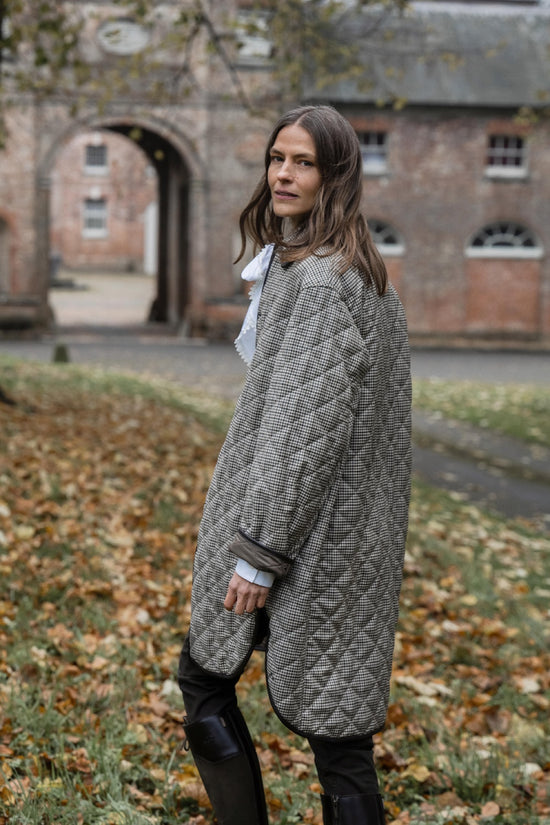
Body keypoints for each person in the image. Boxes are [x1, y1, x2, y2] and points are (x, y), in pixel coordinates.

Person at [178, 104, 412, 825]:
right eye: (277, 158)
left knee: (237, 693)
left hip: (310, 535)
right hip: (341, 531)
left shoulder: (321, 283)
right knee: (336, 729)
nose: (283, 174)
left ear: (335, 175)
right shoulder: (334, 269)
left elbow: (300, 432)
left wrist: (257, 555)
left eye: (303, 162)